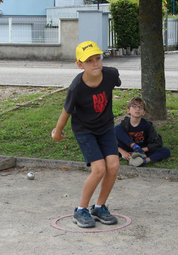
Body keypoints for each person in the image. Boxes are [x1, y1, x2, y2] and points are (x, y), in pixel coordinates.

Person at [51, 41, 121, 228]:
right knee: (99, 169)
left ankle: (99, 207)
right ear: (80, 65)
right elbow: (66, 112)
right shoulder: (76, 88)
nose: (95, 64)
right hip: (85, 130)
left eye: (98, 58)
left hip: (105, 126)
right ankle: (81, 210)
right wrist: (57, 133)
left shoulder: (111, 74)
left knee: (113, 166)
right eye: (89, 61)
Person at [115, 97, 171, 167]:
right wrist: (122, 152)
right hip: (126, 151)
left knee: (166, 151)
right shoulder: (123, 124)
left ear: (144, 112)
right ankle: (134, 148)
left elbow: (158, 142)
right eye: (134, 106)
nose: (137, 109)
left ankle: (143, 161)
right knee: (116, 129)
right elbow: (110, 141)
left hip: (142, 152)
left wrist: (141, 150)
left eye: (140, 107)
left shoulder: (147, 125)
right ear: (128, 110)